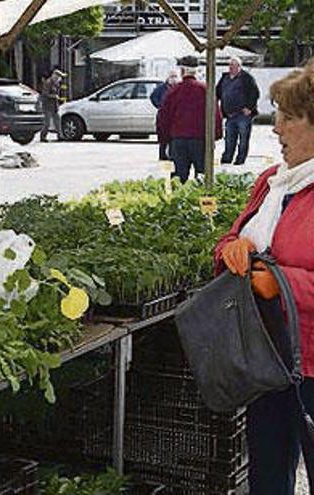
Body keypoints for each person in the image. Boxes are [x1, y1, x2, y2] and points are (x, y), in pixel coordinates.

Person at [213, 59, 314, 494]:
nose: (277, 129)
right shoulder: (272, 182)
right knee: (267, 476)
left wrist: (283, 283)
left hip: (311, 363)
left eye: (290, 118)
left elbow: (286, 273)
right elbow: (233, 238)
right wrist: (232, 249)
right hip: (265, 357)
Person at [158, 56, 222, 183]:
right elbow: (215, 114)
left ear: (182, 71)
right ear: (196, 71)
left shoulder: (174, 91)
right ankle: (202, 200)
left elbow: (163, 117)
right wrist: (216, 135)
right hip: (201, 139)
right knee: (202, 176)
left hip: (178, 140)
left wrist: (164, 140)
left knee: (179, 177)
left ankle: (177, 201)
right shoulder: (205, 90)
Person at [217, 55, 260, 165]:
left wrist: (249, 108)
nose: (232, 67)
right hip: (229, 114)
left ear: (239, 66)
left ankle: (240, 160)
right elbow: (217, 92)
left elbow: (255, 93)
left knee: (243, 139)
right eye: (230, 65)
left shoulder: (246, 78)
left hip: (242, 114)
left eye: (234, 65)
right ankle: (227, 158)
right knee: (229, 139)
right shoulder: (225, 78)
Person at [150, 69, 180, 160]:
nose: (174, 79)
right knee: (163, 138)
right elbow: (153, 97)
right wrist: (159, 105)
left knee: (173, 138)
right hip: (163, 116)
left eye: (175, 76)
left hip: (174, 117)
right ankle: (162, 156)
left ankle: (172, 155)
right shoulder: (161, 88)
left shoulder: (178, 87)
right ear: (168, 77)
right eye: (172, 76)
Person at [38, 68, 65, 142]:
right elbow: (45, 94)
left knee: (57, 121)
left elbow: (57, 92)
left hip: (54, 105)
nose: (60, 78)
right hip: (47, 105)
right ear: (54, 75)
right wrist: (54, 96)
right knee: (47, 123)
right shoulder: (48, 82)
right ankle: (43, 136)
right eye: (59, 76)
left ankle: (60, 136)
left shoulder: (56, 83)